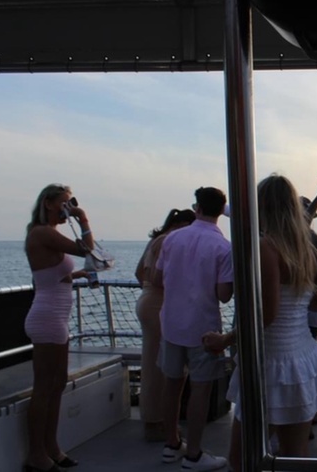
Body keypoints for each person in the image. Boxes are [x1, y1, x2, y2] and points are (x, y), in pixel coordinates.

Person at [213, 174, 317, 467]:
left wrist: (225, 339)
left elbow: (267, 316)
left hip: (271, 364)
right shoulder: (309, 252)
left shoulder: (265, 248)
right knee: (295, 456)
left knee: (241, 457)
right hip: (301, 360)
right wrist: (300, 296)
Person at [152, 186, 234, 471]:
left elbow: (158, 278)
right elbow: (224, 294)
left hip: (171, 323)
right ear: (220, 211)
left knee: (172, 385)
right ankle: (195, 454)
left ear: (197, 207)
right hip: (203, 328)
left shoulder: (172, 239)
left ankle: (171, 443)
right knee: (200, 390)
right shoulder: (223, 247)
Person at [23, 184, 95, 472]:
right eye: (65, 203)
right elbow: (87, 249)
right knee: (43, 388)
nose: (69, 208)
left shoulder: (50, 234)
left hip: (57, 318)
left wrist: (75, 275)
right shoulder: (41, 233)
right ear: (49, 203)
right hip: (46, 318)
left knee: (57, 384)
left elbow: (51, 275)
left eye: (71, 204)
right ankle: (35, 454)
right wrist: (83, 219)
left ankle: (51, 446)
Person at [133, 208, 196, 442]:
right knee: (161, 367)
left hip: (148, 300)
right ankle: (157, 422)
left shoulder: (155, 240)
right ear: (180, 224)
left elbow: (140, 273)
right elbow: (163, 277)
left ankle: (154, 420)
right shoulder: (169, 241)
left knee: (151, 363)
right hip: (160, 302)